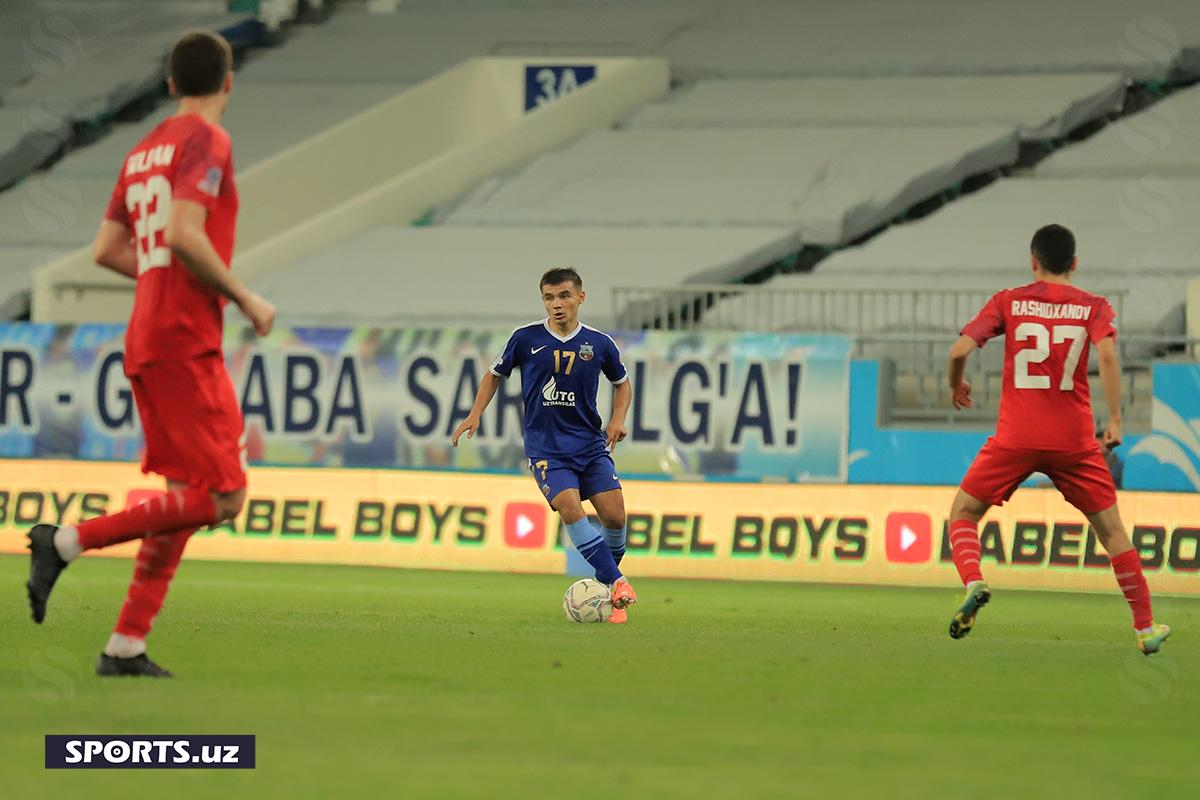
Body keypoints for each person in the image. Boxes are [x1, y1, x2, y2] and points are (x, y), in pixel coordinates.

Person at [25, 30, 276, 677]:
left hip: (147, 334)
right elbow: (185, 233)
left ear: (169, 84)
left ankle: (126, 645)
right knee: (224, 497)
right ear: (228, 82)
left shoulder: (142, 151)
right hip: (185, 337)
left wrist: (161, 276)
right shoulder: (207, 141)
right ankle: (67, 541)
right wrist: (244, 296)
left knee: (184, 496)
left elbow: (107, 249)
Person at [945, 224, 1169, 655]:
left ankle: (974, 581)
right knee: (1112, 532)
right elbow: (1107, 355)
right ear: (1074, 263)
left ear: (1033, 261)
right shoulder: (1093, 307)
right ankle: (1145, 628)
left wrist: (957, 384)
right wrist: (1115, 419)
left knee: (964, 514)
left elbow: (958, 352)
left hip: (1016, 438)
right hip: (1074, 442)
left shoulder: (1008, 301)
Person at [452, 267, 637, 623]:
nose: (557, 304)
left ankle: (607, 590)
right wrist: (475, 413)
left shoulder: (599, 343)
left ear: (580, 297)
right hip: (547, 450)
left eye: (564, 296)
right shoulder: (525, 338)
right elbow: (494, 374)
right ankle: (618, 583)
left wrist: (617, 419)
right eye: (549, 298)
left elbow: (622, 383)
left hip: (590, 445)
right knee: (570, 507)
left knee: (615, 517)